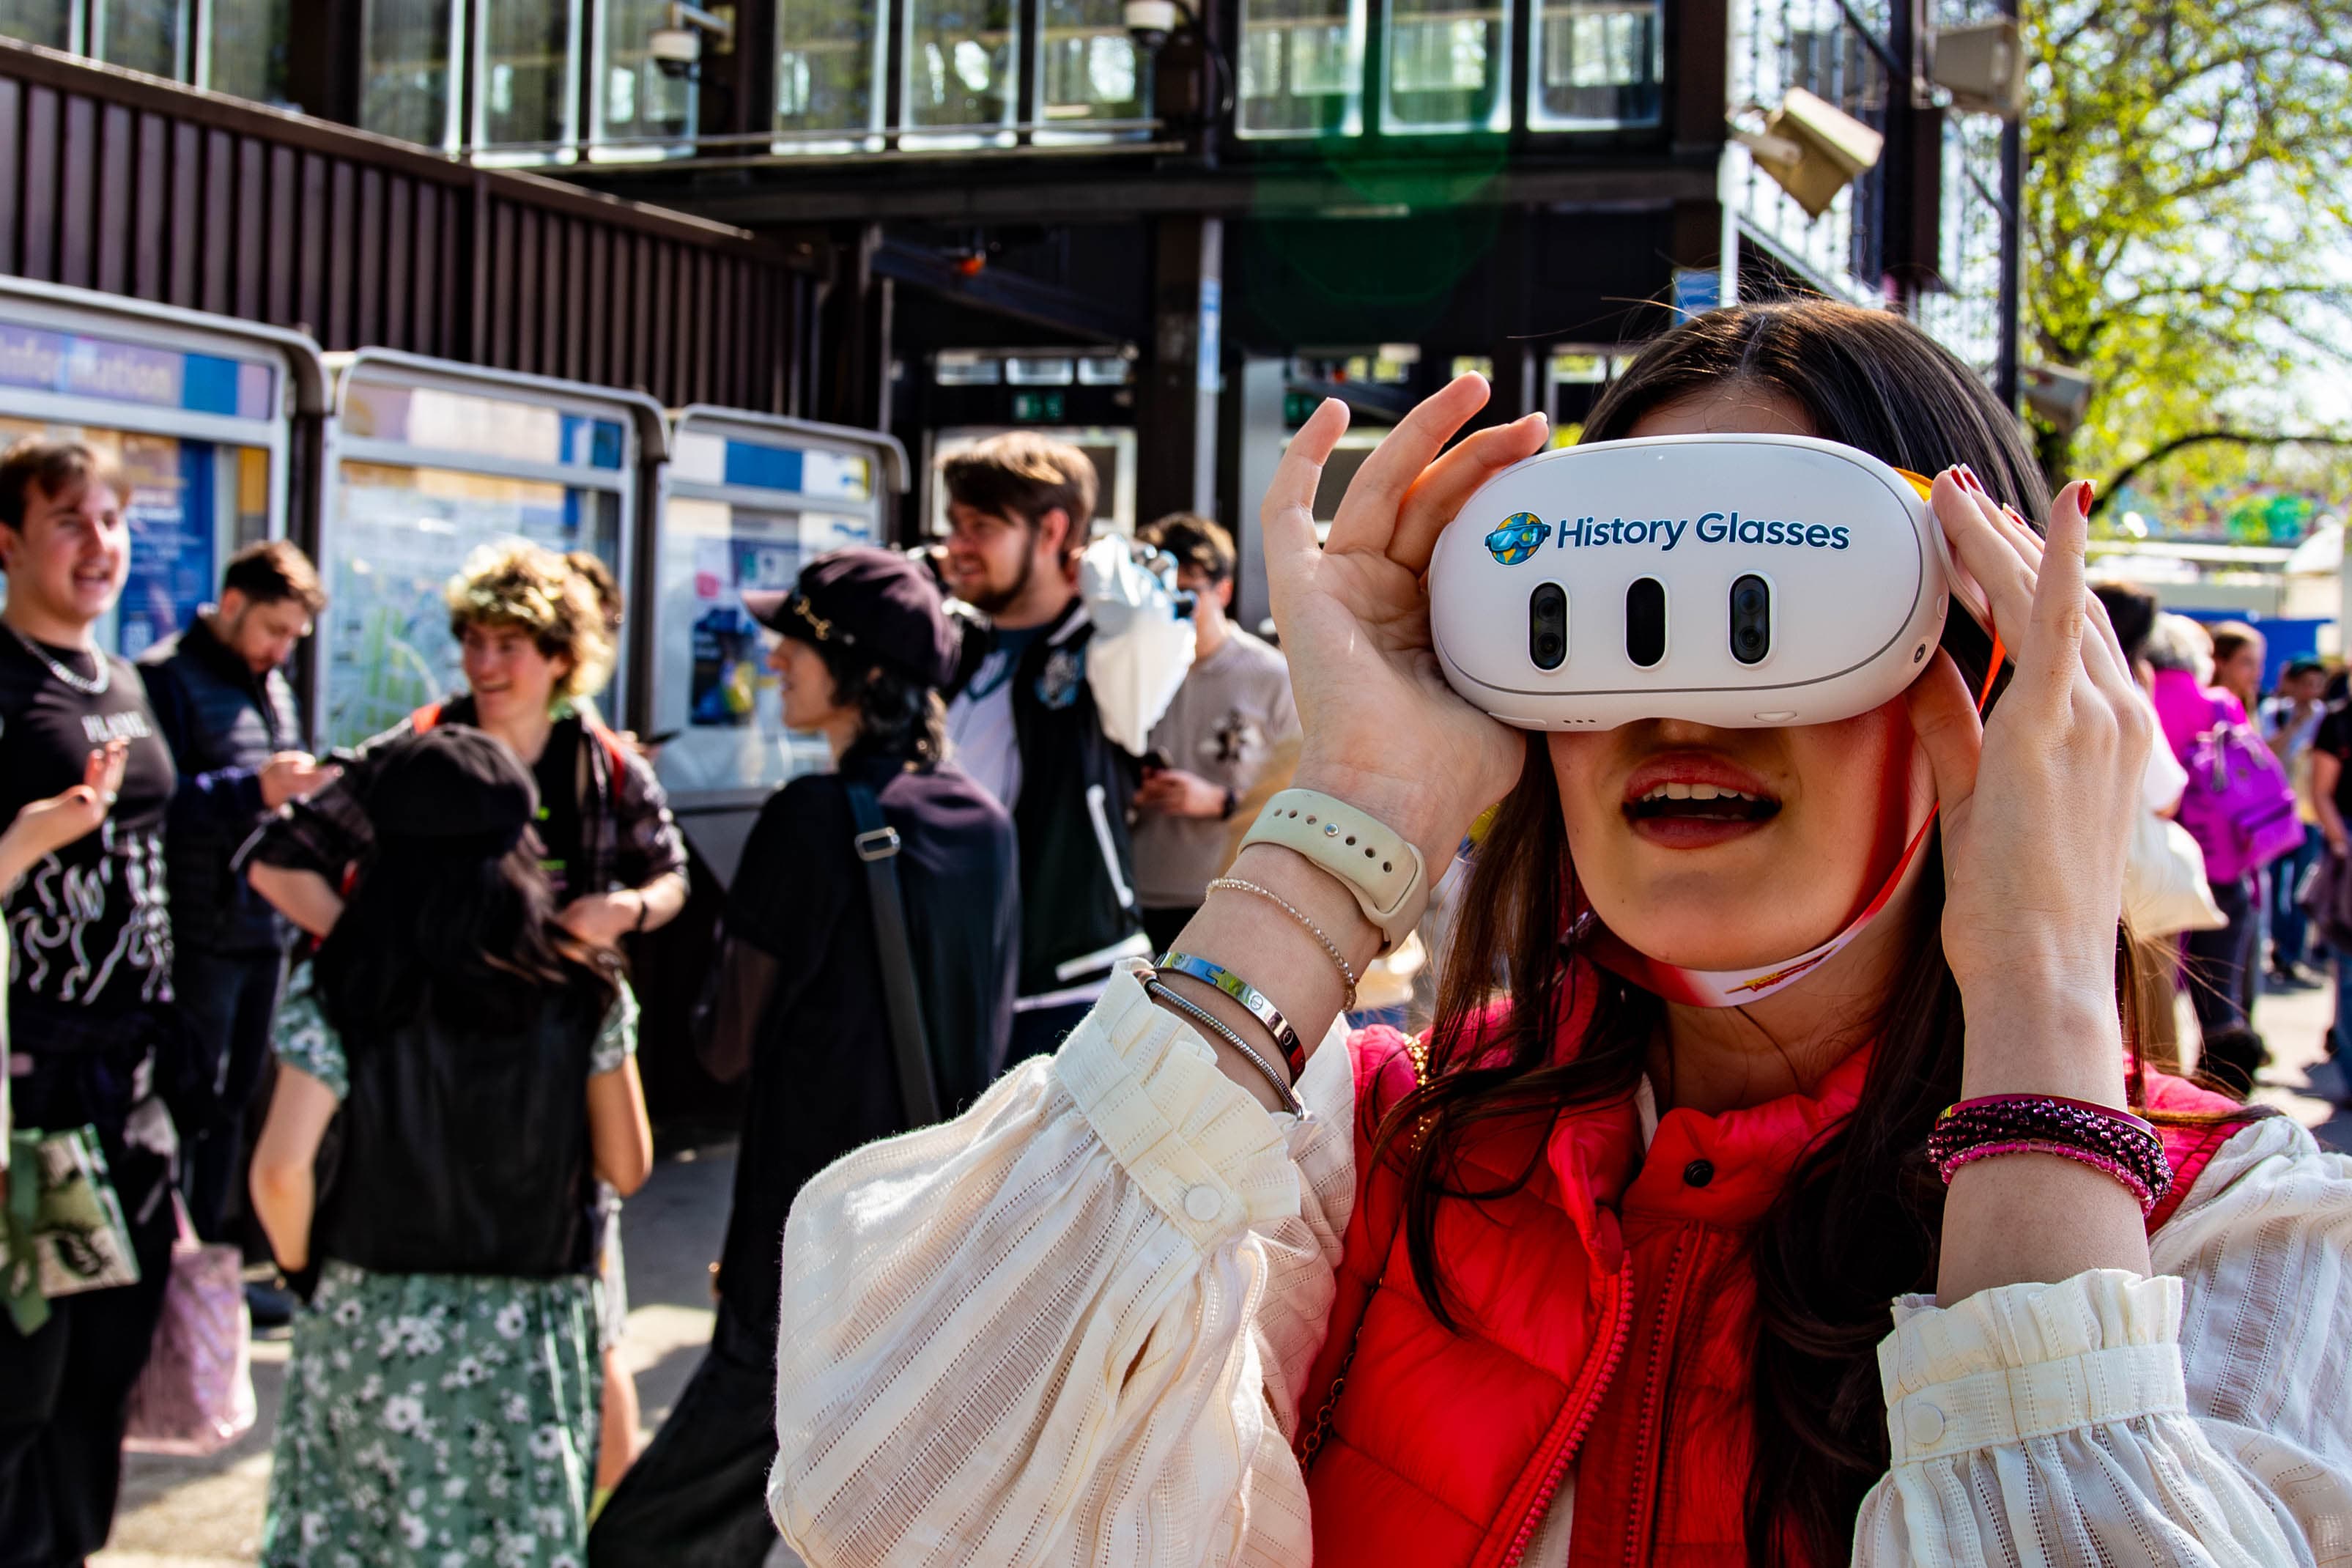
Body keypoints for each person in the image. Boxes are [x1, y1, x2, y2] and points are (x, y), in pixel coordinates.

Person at [765, 302, 2352, 1567]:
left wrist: (2040, 987)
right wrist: (1351, 814)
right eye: (1593, 617)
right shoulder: (1377, 1150)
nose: (1676, 698)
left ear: (1995, 659)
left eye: (1777, 615)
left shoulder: (2222, 1243)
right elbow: (903, 1504)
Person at [589, 547, 1018, 1567]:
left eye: (797, 641)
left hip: (808, 1239)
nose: (773, 656)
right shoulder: (984, 824)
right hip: (933, 1244)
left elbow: (724, 1048)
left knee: (653, 1538)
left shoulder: (808, 820)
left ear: (864, 673)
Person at [248, 724, 652, 1566]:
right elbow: (627, 1164)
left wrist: (302, 1268)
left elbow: (281, 1170)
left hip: (370, 1311)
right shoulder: (583, 990)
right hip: (530, 1328)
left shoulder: (342, 985)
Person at [0, 439, 182, 1564]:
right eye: (70, 519)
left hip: (140, 1090)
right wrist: (22, 841)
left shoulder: (124, 682)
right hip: (29, 1097)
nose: (100, 542)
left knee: (108, 1368)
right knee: (21, 1378)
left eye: (111, 519)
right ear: (9, 541)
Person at [242, 539, 688, 950]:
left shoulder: (600, 762)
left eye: (508, 646)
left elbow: (670, 875)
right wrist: (369, 952)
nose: (484, 665)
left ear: (562, 658)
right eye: (474, 642)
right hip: (432, 1024)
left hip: (558, 1017)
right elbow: (274, 861)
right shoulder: (420, 748)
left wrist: (629, 910)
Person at [938, 433, 1186, 1059]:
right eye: (953, 526)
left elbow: (1148, 626)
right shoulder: (960, 644)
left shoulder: (1104, 649)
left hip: (1072, 981)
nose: (957, 546)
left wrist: (1103, 561)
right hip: (960, 972)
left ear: (1051, 530)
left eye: (980, 527)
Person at [136, 540, 335, 1269]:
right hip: (199, 930)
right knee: (193, 1102)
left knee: (239, 1104)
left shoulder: (270, 683)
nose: (282, 650)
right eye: (274, 631)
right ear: (231, 605)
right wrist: (255, 791)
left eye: (293, 638)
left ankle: (213, 1269)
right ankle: (173, 1269)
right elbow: (151, 803)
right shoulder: (164, 679)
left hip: (266, 928)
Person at [1130, 514, 1301, 955]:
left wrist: (1220, 801)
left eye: (1189, 591)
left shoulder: (1275, 677)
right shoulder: (1129, 669)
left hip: (1227, 896)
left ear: (1223, 591)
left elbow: (1302, 800)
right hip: (1132, 896)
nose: (1174, 604)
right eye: (1160, 591)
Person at [2148, 613, 2266, 1043]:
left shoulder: (2135, 694)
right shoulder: (2218, 704)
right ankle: (2218, 1085)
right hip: (2220, 862)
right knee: (2220, 994)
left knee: (2149, 994)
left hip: (2151, 865)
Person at [2262, 657, 2329, 988]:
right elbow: (2264, 752)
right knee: (2274, 886)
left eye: (2317, 684)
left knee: (2301, 888)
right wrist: (2291, 727)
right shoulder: (2275, 711)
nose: (2311, 691)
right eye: (2306, 683)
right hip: (2274, 811)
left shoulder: (2327, 719)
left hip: (2309, 815)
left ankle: (2291, 954)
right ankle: (2275, 947)